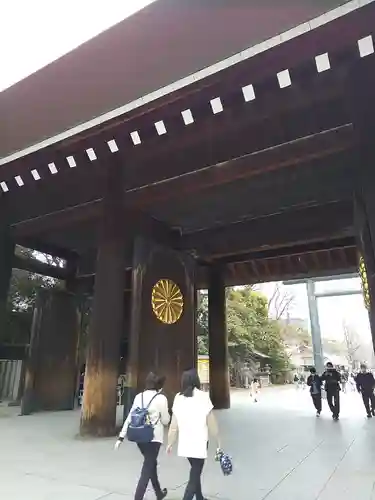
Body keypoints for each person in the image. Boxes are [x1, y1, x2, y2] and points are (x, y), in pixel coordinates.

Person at [167, 368, 221, 500]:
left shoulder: (178, 398)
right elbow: (211, 422)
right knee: (195, 474)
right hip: (200, 442)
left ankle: (200, 497)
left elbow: (173, 426)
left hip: (185, 443)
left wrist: (170, 443)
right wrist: (218, 441)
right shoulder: (203, 396)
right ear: (197, 380)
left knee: (195, 471)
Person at [115, 372, 170, 500]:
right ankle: (138, 497)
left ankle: (159, 493)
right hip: (154, 438)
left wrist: (121, 437)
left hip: (140, 437)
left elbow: (130, 416)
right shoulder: (161, 398)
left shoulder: (139, 397)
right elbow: (166, 421)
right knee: (147, 468)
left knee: (151, 463)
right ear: (159, 386)